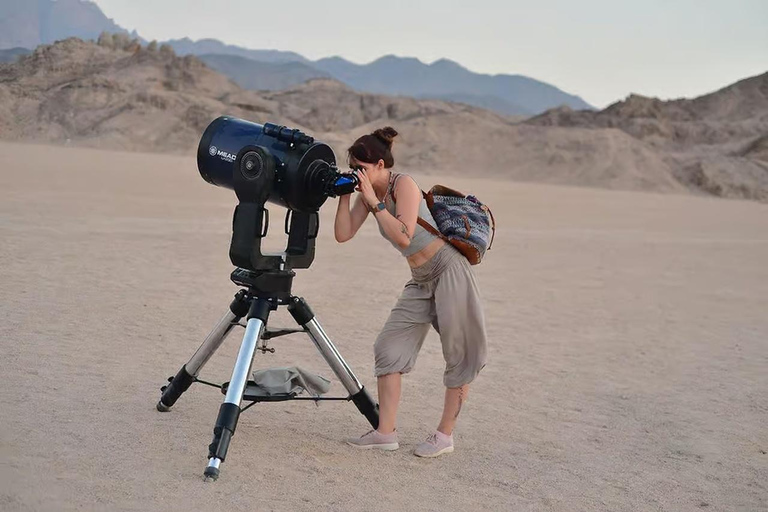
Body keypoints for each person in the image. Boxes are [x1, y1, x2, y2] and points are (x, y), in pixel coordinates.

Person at [334, 127, 487, 458]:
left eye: (360, 167)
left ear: (378, 164)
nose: (356, 172)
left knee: (460, 354)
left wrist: (374, 202)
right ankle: (384, 433)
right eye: (352, 167)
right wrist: (345, 193)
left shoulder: (402, 184)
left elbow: (404, 235)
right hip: (420, 278)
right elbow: (343, 234)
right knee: (388, 347)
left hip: (449, 269)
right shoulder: (366, 195)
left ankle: (444, 436)